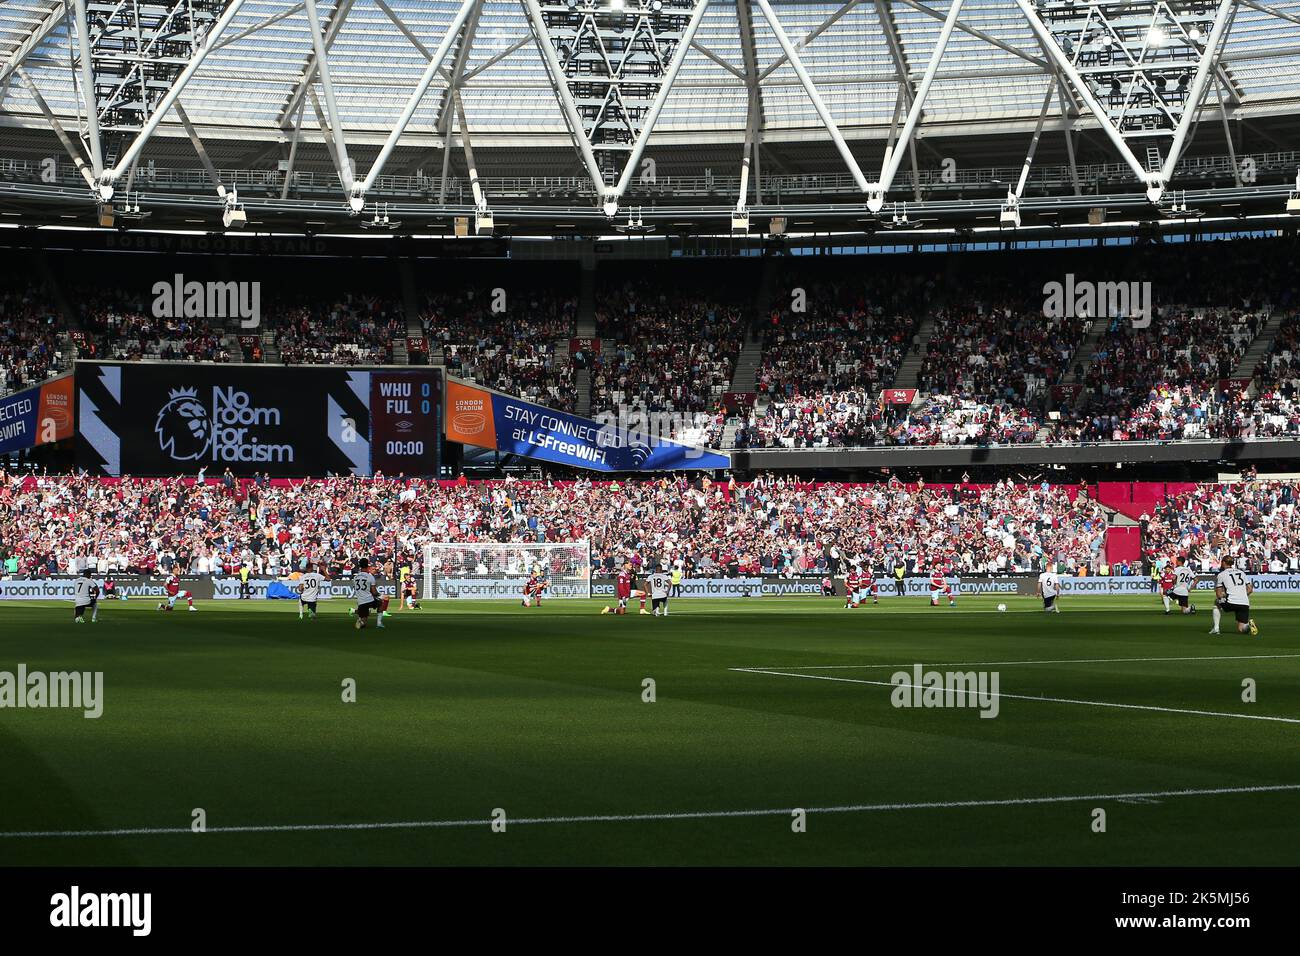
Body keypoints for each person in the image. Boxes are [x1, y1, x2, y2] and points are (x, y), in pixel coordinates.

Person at [1210, 556, 1257, 636]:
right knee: (1241, 629)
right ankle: (1248, 625)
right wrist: (1241, 595)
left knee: (1216, 603)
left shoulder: (1221, 574)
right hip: (1244, 603)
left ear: (1224, 563)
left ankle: (1216, 628)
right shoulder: (1242, 572)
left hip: (1231, 602)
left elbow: (1218, 594)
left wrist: (1222, 597)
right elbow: (1250, 589)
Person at [351, 558, 383, 631]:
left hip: (360, 602)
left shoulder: (355, 577)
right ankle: (379, 623)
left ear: (360, 566)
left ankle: (361, 621)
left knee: (364, 623)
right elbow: (374, 592)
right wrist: (380, 594)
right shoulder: (370, 576)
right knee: (381, 603)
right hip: (369, 599)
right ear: (368, 566)